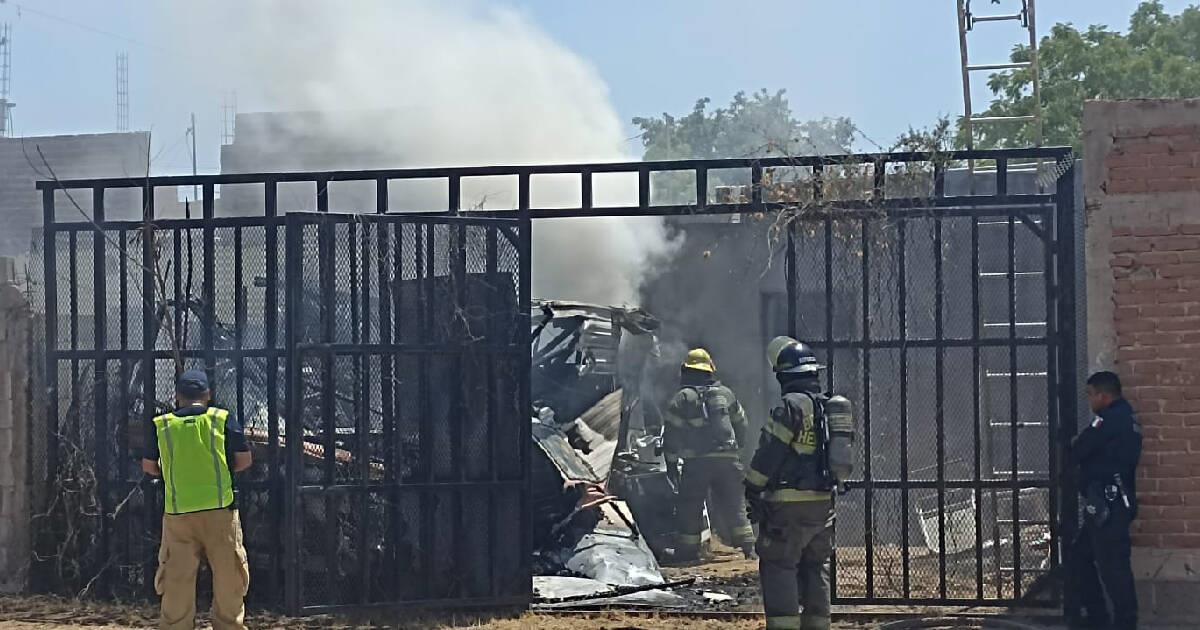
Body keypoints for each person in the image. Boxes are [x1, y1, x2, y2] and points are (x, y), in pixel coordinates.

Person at [744, 337, 855, 630]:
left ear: (783, 376)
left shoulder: (790, 407)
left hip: (787, 507)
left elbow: (769, 454)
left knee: (779, 565)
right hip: (822, 505)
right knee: (817, 567)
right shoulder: (828, 407)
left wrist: (752, 488)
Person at [142, 369, 253, 630]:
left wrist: (172, 475)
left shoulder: (162, 425)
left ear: (177, 397)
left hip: (178, 513)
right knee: (229, 578)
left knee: (177, 579)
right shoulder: (222, 419)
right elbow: (244, 460)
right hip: (220, 512)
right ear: (208, 395)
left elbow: (148, 466)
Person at [661, 348, 756, 561]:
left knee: (690, 505)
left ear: (686, 370)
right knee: (735, 504)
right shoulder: (726, 394)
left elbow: (671, 435)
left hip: (697, 463)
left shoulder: (682, 398)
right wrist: (736, 451)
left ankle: (687, 552)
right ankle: (749, 549)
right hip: (728, 462)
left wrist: (671, 463)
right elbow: (742, 424)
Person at [1069, 371, 1141, 630]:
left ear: (1104, 395)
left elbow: (1079, 449)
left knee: (1114, 571)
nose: (1089, 400)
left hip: (1108, 507)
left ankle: (1124, 623)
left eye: (1090, 394)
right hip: (1108, 505)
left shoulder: (1109, 419)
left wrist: (1077, 445)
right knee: (1080, 558)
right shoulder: (1124, 417)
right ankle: (1098, 618)